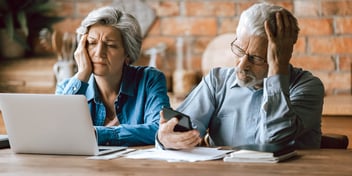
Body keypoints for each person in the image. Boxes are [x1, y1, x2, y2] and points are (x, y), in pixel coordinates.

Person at [157, 2, 324, 149]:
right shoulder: (217, 81)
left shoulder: (308, 87)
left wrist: (277, 69)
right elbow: (184, 130)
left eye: (256, 58)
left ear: (281, 55)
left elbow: (274, 140)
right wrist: (166, 138)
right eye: (239, 50)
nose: (242, 65)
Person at [55, 6, 170, 146]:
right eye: (91, 43)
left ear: (127, 53)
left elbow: (160, 130)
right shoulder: (67, 88)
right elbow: (57, 131)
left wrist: (98, 134)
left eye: (110, 45)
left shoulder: (150, 79)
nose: (99, 52)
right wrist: (82, 73)